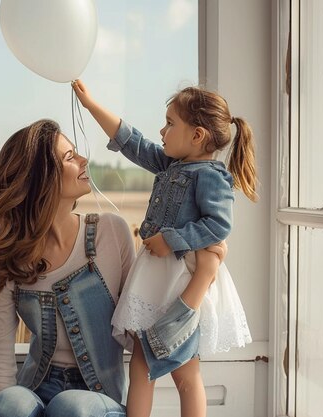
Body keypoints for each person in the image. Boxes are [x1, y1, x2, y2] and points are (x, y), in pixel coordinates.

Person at [0, 119, 226, 417]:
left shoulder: (110, 232)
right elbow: (1, 364)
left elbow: (140, 323)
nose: (83, 160)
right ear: (41, 178)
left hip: (97, 400)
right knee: (10, 403)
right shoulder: (8, 257)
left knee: (72, 406)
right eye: (69, 157)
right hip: (35, 394)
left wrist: (202, 274)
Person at [72, 79, 255, 417]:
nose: (162, 130)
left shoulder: (210, 176)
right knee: (141, 364)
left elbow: (218, 226)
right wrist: (90, 104)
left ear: (197, 135)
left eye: (170, 123)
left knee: (185, 372)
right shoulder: (172, 165)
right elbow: (133, 142)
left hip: (180, 281)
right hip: (156, 280)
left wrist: (171, 239)